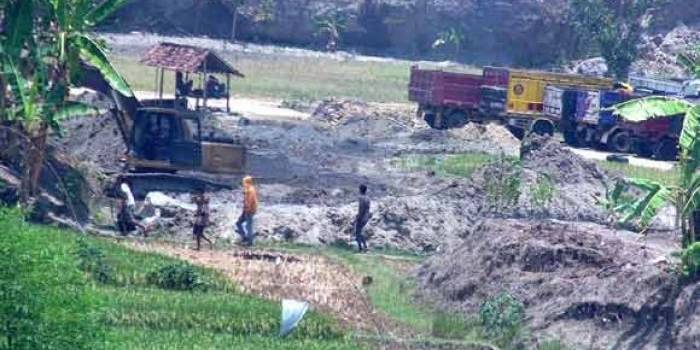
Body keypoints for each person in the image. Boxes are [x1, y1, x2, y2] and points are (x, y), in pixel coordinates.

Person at [236, 176, 258, 246]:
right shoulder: (248, 190)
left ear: (247, 182)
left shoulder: (250, 190)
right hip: (246, 210)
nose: (243, 184)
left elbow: (250, 201)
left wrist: (247, 209)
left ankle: (249, 242)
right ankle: (244, 237)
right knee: (239, 223)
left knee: (248, 226)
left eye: (244, 182)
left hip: (249, 210)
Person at [354, 184, 371, 252]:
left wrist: (358, 216)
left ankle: (361, 247)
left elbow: (361, 208)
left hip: (361, 217)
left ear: (360, 190)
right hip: (366, 217)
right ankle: (365, 247)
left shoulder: (361, 198)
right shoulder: (368, 198)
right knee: (361, 232)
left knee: (358, 232)